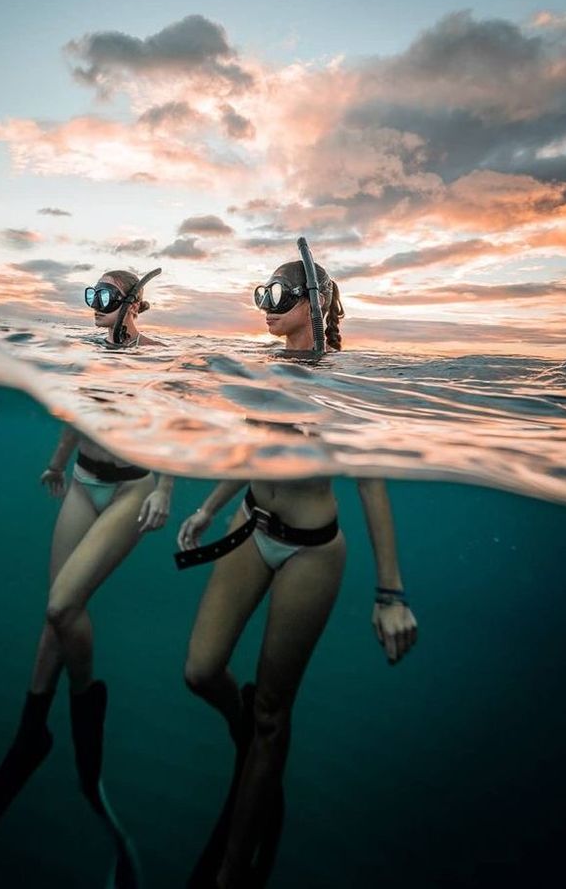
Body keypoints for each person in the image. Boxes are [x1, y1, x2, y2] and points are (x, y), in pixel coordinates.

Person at [0, 270, 173, 888]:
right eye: (90, 295)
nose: (94, 307)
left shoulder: (154, 357)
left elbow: (169, 427)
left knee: (61, 606)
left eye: (106, 297)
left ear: (130, 303)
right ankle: (32, 731)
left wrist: (164, 486)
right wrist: (56, 463)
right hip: (84, 479)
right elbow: (75, 414)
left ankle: (83, 708)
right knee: (52, 619)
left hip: (132, 488)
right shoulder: (88, 352)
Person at [176, 253, 418, 888]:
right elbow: (250, 452)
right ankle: (247, 730)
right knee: (201, 671)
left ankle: (234, 869)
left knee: (274, 717)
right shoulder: (265, 366)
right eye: (263, 290)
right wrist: (204, 508)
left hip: (312, 551)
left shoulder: (341, 380)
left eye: (280, 291)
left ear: (314, 302)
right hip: (250, 527)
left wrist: (390, 592)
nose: (267, 301)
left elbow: (370, 481)